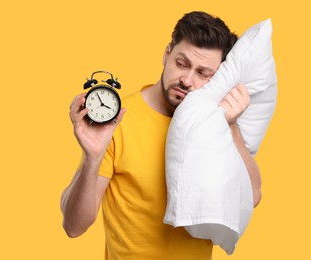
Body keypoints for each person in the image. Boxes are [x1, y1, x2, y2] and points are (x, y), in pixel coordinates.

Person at [61, 11, 262, 259]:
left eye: (203, 73)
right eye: (182, 63)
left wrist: (231, 126)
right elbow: (73, 226)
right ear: (167, 54)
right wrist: (92, 159)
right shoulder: (118, 120)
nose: (187, 80)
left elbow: (251, 196)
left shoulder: (217, 125)